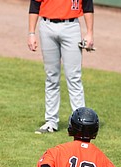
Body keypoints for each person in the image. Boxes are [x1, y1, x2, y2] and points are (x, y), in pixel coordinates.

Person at [27, 0, 95, 134]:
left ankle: (80, 123)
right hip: (46, 26)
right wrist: (31, 33)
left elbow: (88, 5)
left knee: (74, 78)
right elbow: (35, 5)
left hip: (71, 27)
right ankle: (51, 122)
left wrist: (89, 33)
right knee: (51, 77)